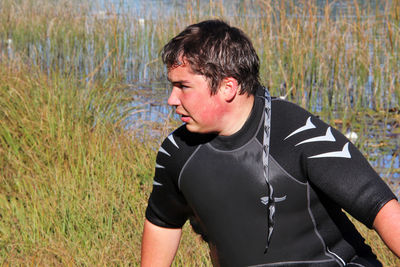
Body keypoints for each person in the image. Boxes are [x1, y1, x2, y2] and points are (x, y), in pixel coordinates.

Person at [141, 20, 400, 267]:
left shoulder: (297, 132)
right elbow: (163, 222)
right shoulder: (177, 152)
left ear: (227, 87)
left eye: (183, 86)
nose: (172, 99)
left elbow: (380, 207)